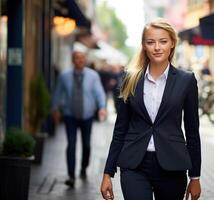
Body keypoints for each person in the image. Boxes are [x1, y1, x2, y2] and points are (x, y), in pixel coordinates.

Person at [100, 18, 201, 200]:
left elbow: (193, 131)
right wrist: (108, 172)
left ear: (172, 44)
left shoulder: (186, 81)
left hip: (172, 166)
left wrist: (195, 177)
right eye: (151, 42)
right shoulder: (129, 79)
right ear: (144, 46)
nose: (157, 47)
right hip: (134, 166)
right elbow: (120, 128)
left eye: (163, 41)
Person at [52, 50, 107, 187]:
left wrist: (102, 107)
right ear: (73, 60)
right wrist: (54, 109)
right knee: (71, 144)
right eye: (77, 58)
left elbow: (99, 92)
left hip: (87, 115)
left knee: (86, 145)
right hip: (70, 114)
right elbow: (58, 92)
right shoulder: (64, 76)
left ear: (85, 59)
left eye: (82, 58)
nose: (80, 60)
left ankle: (83, 167)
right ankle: (71, 175)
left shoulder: (93, 75)